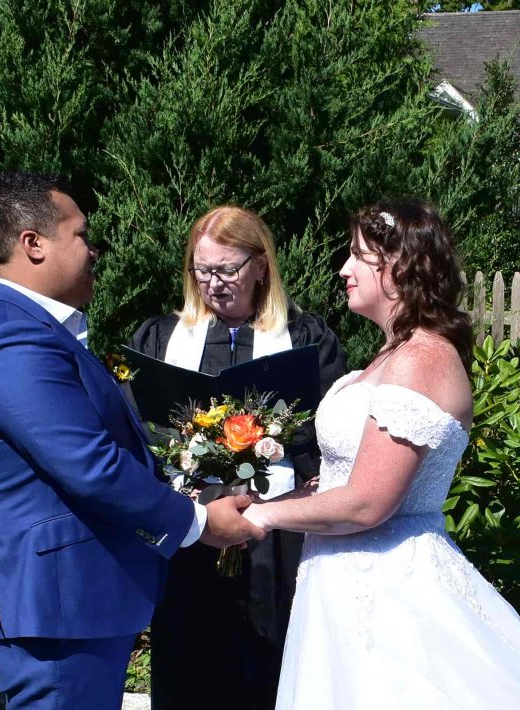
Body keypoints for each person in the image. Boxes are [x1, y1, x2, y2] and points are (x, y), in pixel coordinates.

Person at [241, 198, 520, 709]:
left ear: (399, 266)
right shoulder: (392, 356)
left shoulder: (422, 359)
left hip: (391, 591)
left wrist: (263, 516)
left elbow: (367, 503)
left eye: (358, 256)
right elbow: (348, 480)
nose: (344, 269)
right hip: (343, 581)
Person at [0, 172, 265, 710]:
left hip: (67, 601)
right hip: (55, 602)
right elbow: (89, 465)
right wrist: (199, 523)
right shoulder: (12, 338)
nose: (95, 251)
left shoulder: (24, 330)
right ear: (33, 244)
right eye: (82, 235)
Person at [129, 205, 347, 710]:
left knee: (273, 661)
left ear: (260, 265)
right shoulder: (162, 338)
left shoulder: (307, 338)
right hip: (191, 527)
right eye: (202, 270)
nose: (214, 283)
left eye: (227, 269)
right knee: (191, 663)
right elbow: (139, 425)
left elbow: (330, 429)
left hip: (278, 531)